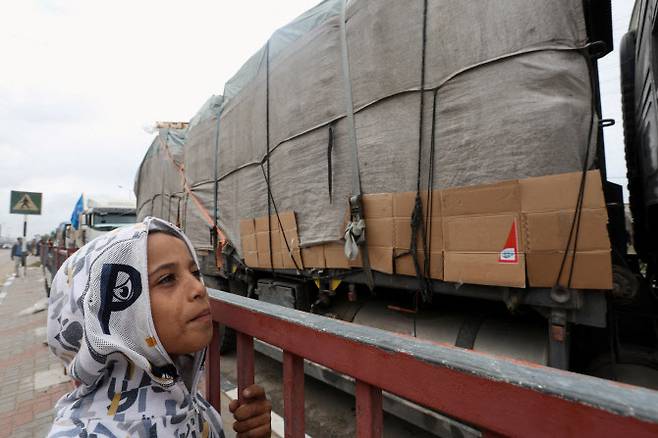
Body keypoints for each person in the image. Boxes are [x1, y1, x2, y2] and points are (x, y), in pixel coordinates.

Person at [46, 217, 271, 437]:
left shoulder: (189, 404)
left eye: (194, 273)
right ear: (114, 312)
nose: (199, 288)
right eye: (166, 279)